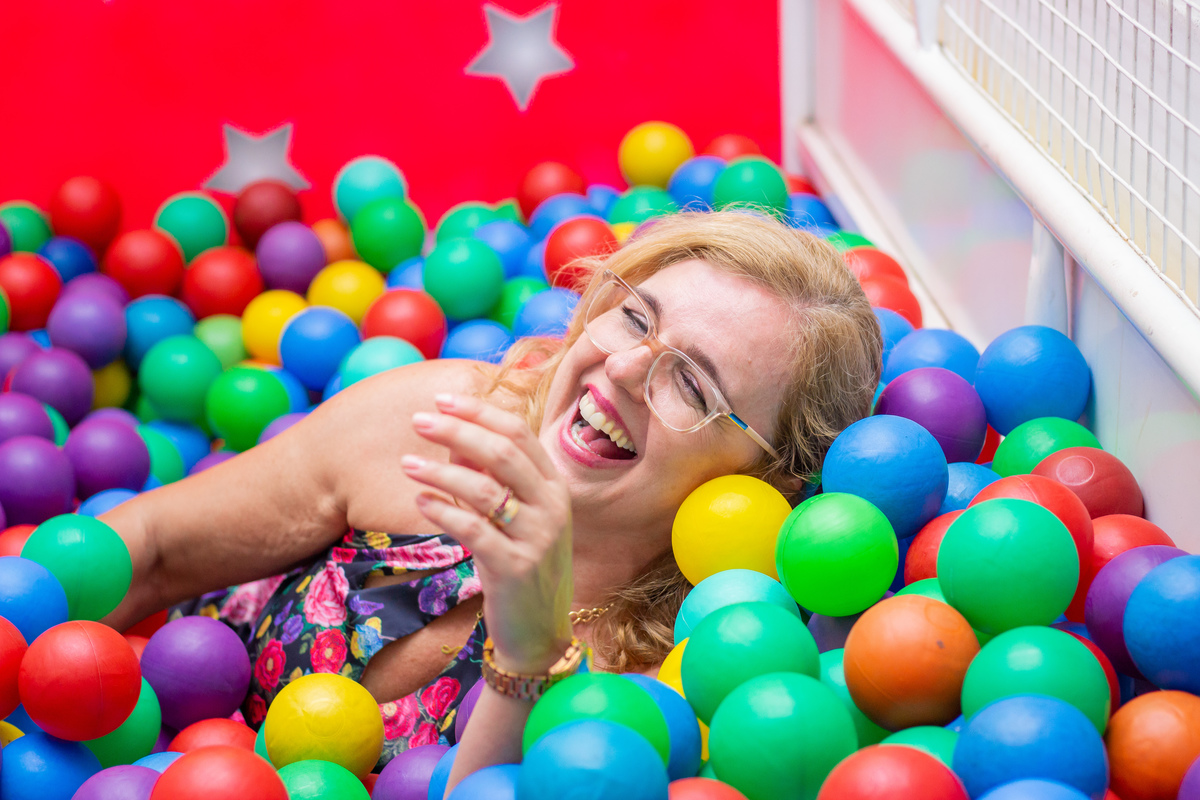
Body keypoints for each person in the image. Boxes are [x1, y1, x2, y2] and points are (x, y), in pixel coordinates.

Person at [103, 210, 882, 788]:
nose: (621, 370)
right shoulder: (438, 424)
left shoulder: (682, 675)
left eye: (690, 381)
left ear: (765, 479)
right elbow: (154, 550)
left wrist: (529, 647)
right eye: (634, 317)